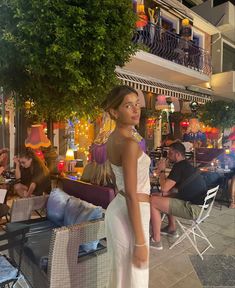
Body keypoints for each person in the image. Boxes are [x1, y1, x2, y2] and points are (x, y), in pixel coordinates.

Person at [104, 85, 151, 287]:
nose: (135, 110)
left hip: (120, 207)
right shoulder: (129, 144)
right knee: (134, 277)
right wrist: (140, 242)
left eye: (137, 104)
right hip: (133, 210)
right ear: (114, 112)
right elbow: (132, 194)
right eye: (128, 106)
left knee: (121, 275)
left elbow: (118, 181)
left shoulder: (114, 138)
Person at [150, 141, 207, 250]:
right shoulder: (186, 165)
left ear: (177, 154)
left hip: (193, 209)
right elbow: (171, 190)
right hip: (199, 206)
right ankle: (172, 229)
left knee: (153, 201)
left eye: (170, 153)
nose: (168, 156)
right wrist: (164, 194)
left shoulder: (178, 167)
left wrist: (161, 170)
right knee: (165, 196)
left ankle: (156, 240)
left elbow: (164, 187)